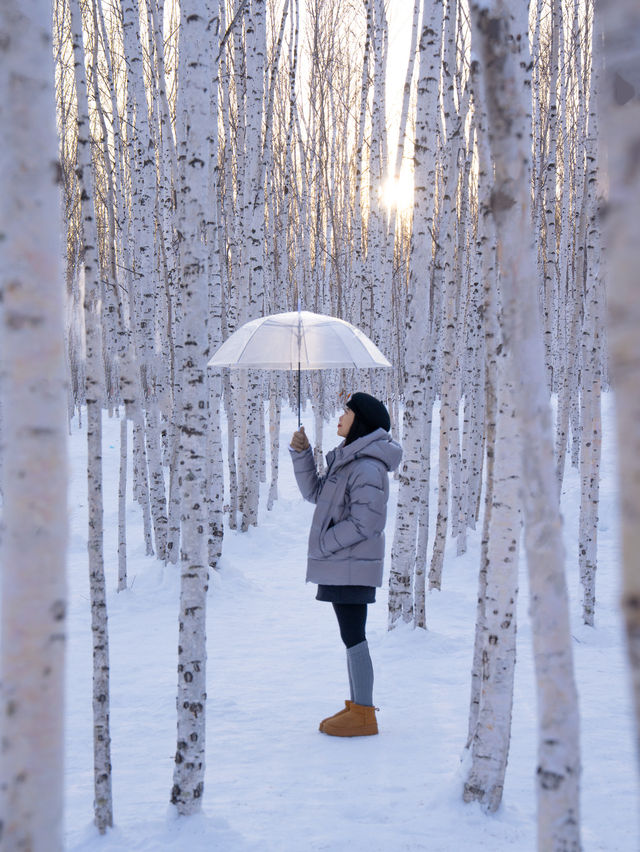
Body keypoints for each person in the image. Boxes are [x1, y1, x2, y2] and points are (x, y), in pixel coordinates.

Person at [289, 392, 402, 737]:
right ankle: (358, 706)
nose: (340, 416)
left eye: (347, 412)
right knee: (350, 634)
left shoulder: (367, 466)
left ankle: (365, 713)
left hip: (352, 563)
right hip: (346, 563)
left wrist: (325, 543)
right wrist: (301, 453)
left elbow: (365, 523)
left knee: (354, 635)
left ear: (361, 421)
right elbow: (316, 494)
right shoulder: (351, 461)